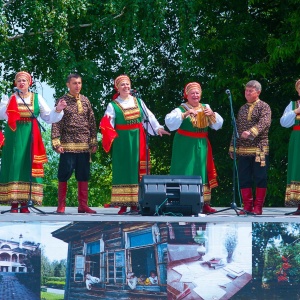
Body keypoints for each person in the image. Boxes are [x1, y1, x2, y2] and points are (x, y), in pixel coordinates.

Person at [100, 74, 170, 215]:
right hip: (122, 141)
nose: (126, 87)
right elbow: (108, 122)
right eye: (122, 85)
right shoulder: (113, 105)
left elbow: (148, 117)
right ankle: (123, 204)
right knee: (123, 169)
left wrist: (157, 128)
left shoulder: (138, 101)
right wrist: (108, 132)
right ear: (117, 88)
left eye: (127, 84)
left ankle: (137, 203)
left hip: (139, 139)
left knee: (138, 169)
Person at [0, 71, 66, 213]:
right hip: (14, 135)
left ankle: (25, 203)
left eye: (24, 80)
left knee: (29, 165)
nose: (21, 83)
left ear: (29, 83)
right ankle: (14, 204)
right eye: (19, 81)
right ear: (15, 84)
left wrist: (58, 109)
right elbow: (1, 115)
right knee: (15, 164)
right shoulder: (9, 98)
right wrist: (7, 105)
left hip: (31, 134)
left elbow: (48, 117)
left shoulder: (37, 98)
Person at [165, 82, 223, 214]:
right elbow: (169, 123)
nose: (195, 95)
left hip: (201, 144)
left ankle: (204, 203)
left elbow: (217, 126)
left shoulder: (206, 107)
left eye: (197, 93)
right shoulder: (181, 109)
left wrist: (212, 114)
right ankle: (180, 202)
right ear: (187, 95)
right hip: (185, 145)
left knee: (202, 171)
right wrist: (185, 114)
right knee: (184, 170)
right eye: (192, 93)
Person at [51, 73, 98, 214]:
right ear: (68, 85)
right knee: (64, 174)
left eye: (79, 83)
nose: (77, 86)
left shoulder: (85, 100)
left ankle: (83, 205)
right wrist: (56, 143)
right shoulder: (62, 100)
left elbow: (92, 122)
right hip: (67, 145)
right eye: (74, 83)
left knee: (83, 175)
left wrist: (93, 141)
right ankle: (61, 205)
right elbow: (56, 122)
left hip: (84, 145)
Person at [229, 80, 271, 215]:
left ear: (258, 92)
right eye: (246, 90)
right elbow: (237, 128)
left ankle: (258, 207)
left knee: (260, 177)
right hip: (243, 150)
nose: (247, 93)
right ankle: (247, 205)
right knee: (244, 177)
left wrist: (251, 132)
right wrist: (232, 146)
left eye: (250, 91)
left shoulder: (264, 106)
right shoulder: (242, 108)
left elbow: (264, 122)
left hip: (259, 148)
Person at [280, 79, 300, 215]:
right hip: (297, 139)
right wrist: (296, 111)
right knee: (297, 169)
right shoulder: (293, 105)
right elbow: (283, 122)